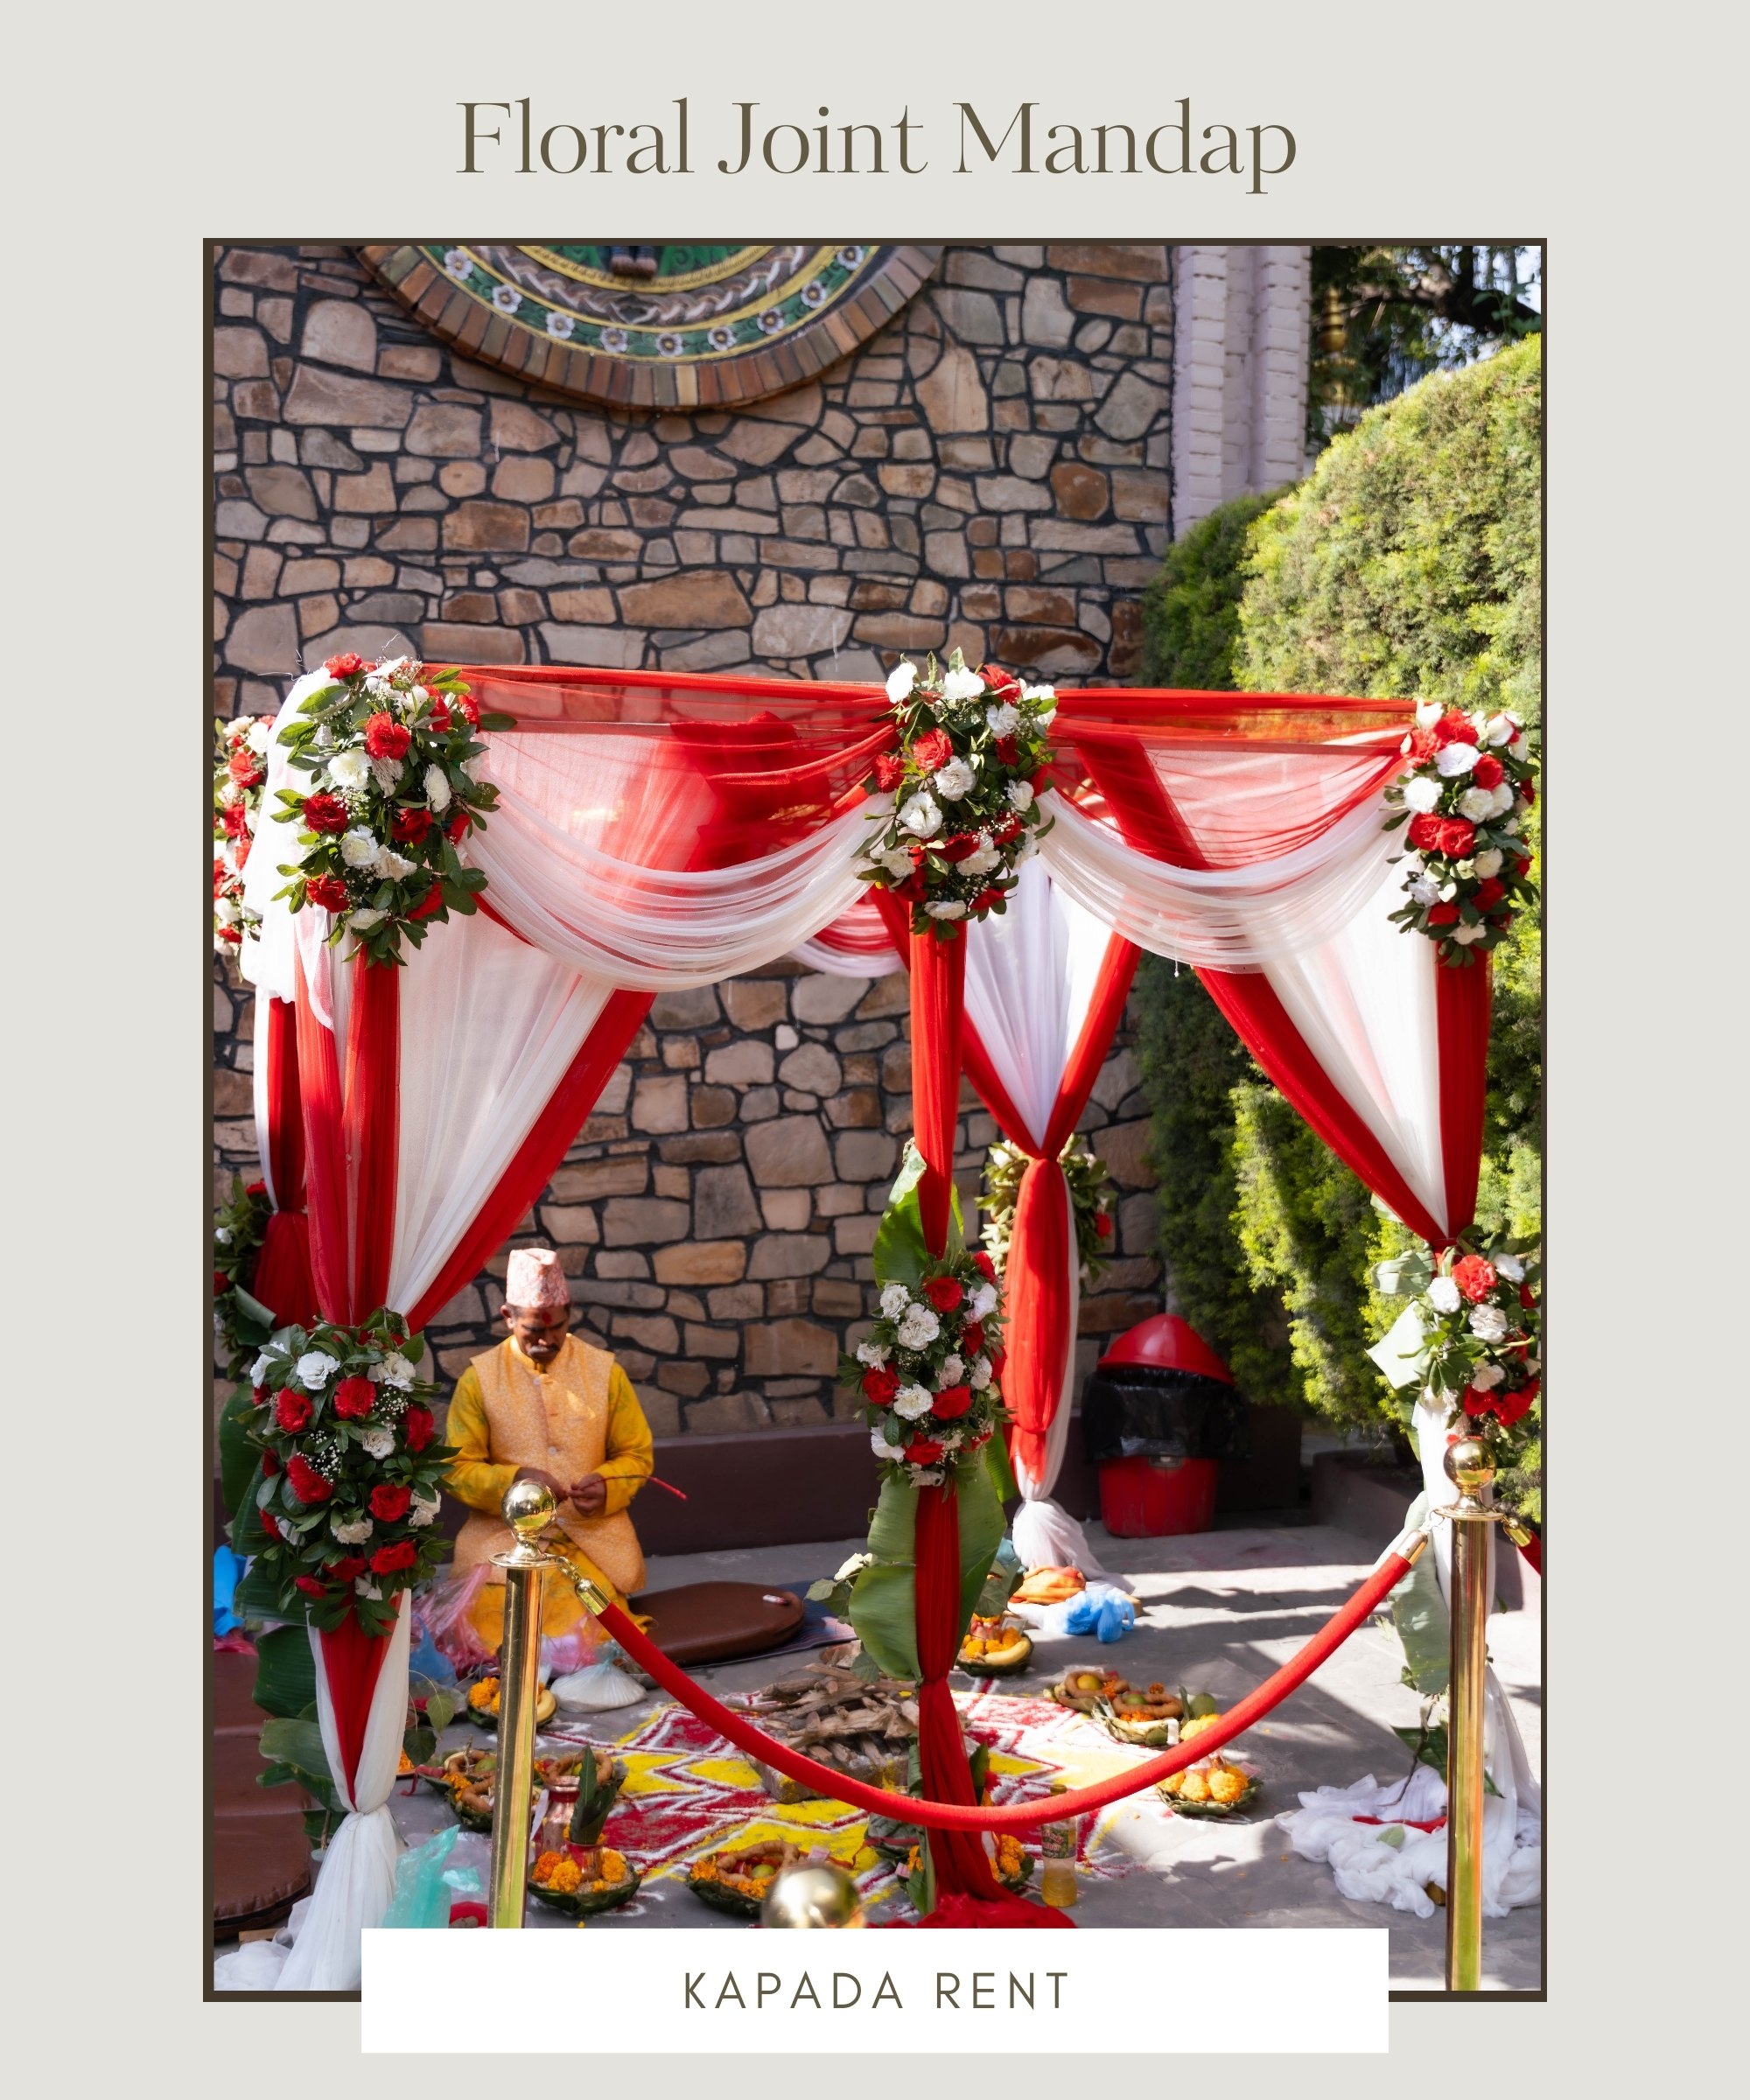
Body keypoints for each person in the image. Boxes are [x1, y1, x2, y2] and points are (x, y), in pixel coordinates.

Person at [443, 1246, 653, 1658]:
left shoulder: (605, 1371)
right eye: (532, 1330)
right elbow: (456, 1469)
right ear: (507, 1317)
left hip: (589, 1546)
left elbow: (636, 1455)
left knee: (593, 1638)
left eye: (557, 1327)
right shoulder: (477, 1381)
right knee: (494, 1640)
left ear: (568, 1314)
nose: (547, 1339)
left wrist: (607, 1486)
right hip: (502, 1546)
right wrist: (513, 1480)